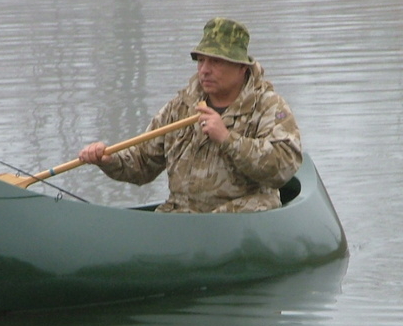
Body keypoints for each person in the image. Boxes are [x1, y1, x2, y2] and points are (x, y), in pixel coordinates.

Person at [78, 17, 302, 213]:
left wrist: (227, 139)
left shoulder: (269, 106)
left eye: (216, 61)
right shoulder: (181, 107)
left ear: (242, 68)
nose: (205, 69)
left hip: (241, 218)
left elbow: (282, 168)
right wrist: (108, 160)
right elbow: (142, 164)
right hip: (183, 218)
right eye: (201, 60)